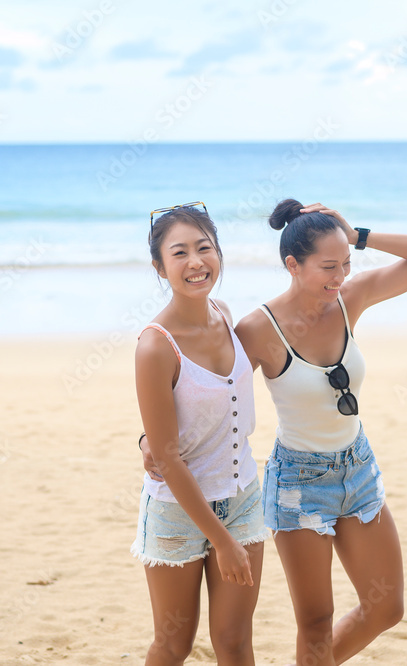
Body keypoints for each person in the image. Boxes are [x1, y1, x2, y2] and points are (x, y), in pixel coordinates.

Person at [233, 199, 407, 665]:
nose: (341, 276)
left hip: (358, 469)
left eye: (347, 264)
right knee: (315, 623)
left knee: (386, 608)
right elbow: (217, 396)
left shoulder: (350, 300)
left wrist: (357, 235)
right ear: (292, 265)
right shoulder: (258, 329)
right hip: (298, 483)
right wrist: (154, 439)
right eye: (328, 266)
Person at [133, 202, 268, 666]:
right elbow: (167, 458)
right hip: (176, 511)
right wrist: (224, 542)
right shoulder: (154, 346)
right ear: (160, 267)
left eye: (204, 248)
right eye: (180, 253)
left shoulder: (225, 314)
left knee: (234, 643)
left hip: (243, 496)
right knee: (174, 645)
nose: (195, 262)